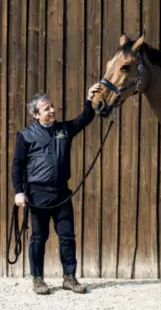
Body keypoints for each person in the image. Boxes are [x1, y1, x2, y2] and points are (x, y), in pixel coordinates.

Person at [11, 84, 101, 295]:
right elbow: (17, 166)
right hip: (37, 194)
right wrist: (18, 191)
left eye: (52, 107)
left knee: (67, 236)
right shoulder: (25, 136)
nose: (52, 111)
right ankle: (38, 279)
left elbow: (85, 118)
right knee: (38, 238)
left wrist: (89, 99)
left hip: (61, 193)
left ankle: (69, 278)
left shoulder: (64, 130)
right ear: (36, 114)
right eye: (46, 109)